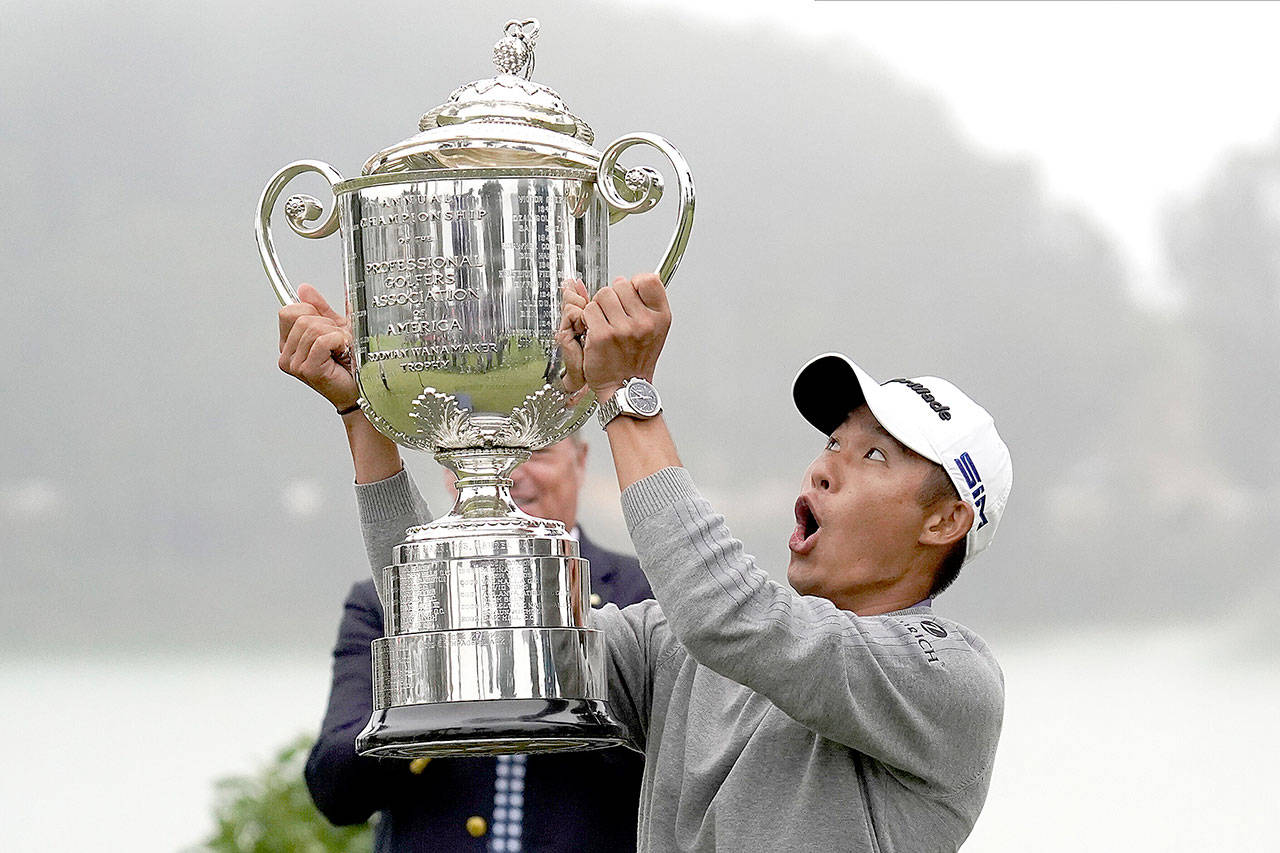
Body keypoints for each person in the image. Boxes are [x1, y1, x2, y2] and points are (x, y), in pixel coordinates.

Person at [281, 272, 1014, 852]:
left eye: (875, 456)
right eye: (832, 441)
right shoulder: (676, 645)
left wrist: (623, 394)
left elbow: (735, 617)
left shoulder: (948, 678)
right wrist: (363, 418)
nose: (823, 469)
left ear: (946, 520)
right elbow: (462, 636)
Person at [279, 284, 653, 852]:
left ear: (581, 459)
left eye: (538, 448)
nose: (513, 471)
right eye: (476, 443)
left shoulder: (641, 594)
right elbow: (335, 788)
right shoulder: (380, 599)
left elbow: (674, 769)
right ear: (445, 458)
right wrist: (442, 687)